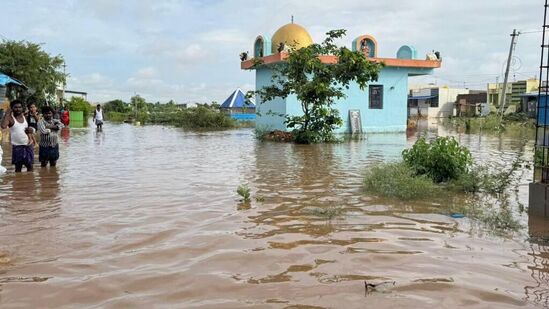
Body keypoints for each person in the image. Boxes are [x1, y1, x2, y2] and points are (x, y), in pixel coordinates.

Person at [0, 100, 35, 172]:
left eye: (20, 107)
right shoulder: (10, 118)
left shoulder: (25, 117)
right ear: (12, 108)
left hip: (28, 145)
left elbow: (33, 128)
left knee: (30, 167)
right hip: (17, 147)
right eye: (15, 107)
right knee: (18, 168)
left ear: (22, 108)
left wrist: (32, 130)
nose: (18, 109)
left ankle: (30, 182)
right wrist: (7, 113)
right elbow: (3, 126)